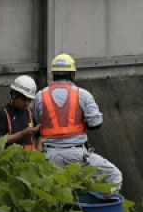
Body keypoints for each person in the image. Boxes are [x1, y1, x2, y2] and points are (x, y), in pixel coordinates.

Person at [34, 53, 122, 192]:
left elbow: (38, 120)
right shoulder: (82, 94)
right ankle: (98, 209)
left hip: (50, 155)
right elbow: (96, 123)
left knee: (54, 191)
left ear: (53, 74)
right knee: (114, 176)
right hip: (77, 155)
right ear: (73, 74)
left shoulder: (41, 95)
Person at [0, 75, 39, 150]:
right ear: (14, 95)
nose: (27, 103)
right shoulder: (1, 114)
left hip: (30, 159)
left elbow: (39, 135)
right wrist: (22, 134)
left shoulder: (30, 112)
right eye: (24, 99)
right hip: (11, 160)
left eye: (29, 100)